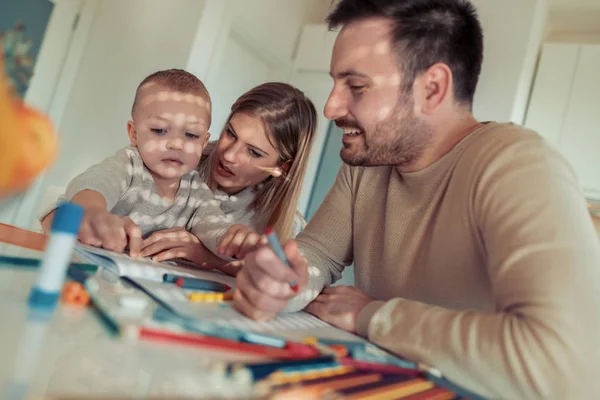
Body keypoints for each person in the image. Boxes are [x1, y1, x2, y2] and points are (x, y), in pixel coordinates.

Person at [231, 1, 600, 399]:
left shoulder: (518, 165)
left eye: (356, 87)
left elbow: (568, 363)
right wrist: (282, 284)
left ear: (432, 89)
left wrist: (373, 316)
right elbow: (317, 255)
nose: (331, 107)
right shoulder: (368, 161)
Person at [40, 69, 247, 259]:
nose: (176, 144)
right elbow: (95, 183)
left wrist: (237, 239)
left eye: (191, 135)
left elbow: (215, 228)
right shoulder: (129, 165)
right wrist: (93, 211)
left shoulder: (197, 192)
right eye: (159, 130)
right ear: (134, 133)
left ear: (203, 143)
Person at [135, 82, 318, 274]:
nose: (229, 155)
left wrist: (209, 259)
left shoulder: (287, 227)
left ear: (280, 168)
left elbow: (289, 285)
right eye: (231, 133)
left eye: (254, 152)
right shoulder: (174, 165)